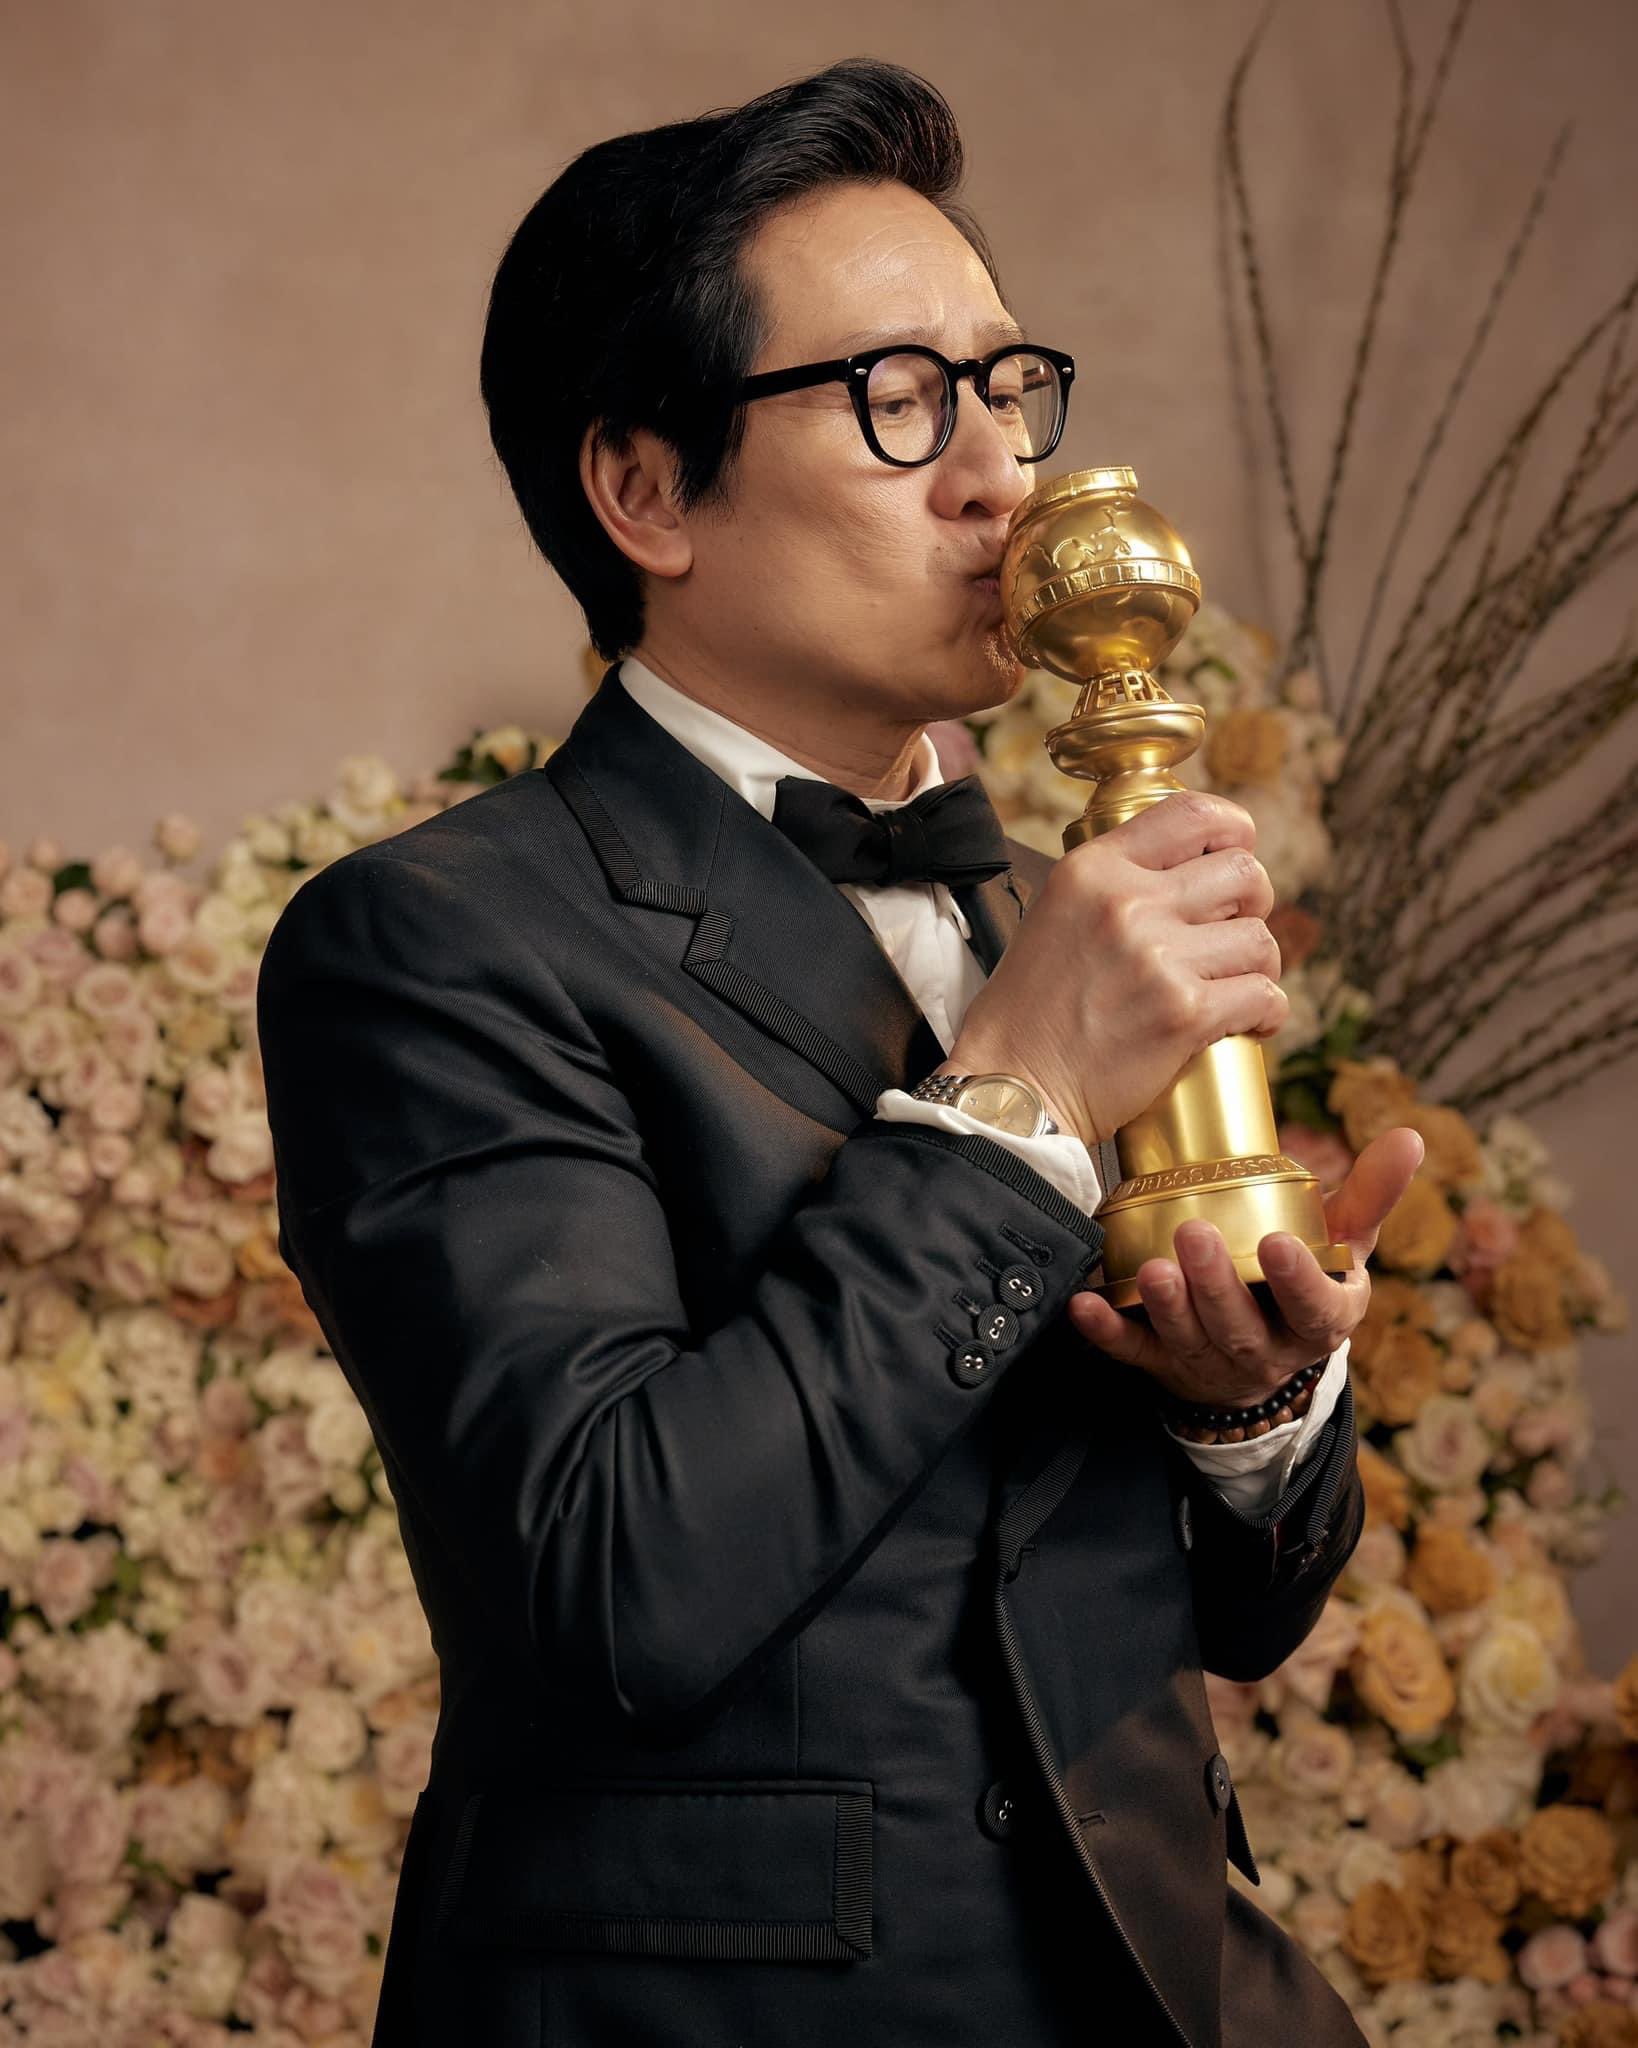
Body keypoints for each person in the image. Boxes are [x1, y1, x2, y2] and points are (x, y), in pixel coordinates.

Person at [256, 57, 1423, 2048]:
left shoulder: (1049, 913)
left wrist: (1254, 1405)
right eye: (896, 397)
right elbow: (612, 1580)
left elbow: (1234, 1615)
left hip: (1168, 1988)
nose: (998, 476)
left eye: (1008, 389)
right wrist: (1012, 1101)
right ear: (646, 491)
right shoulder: (433, 939)